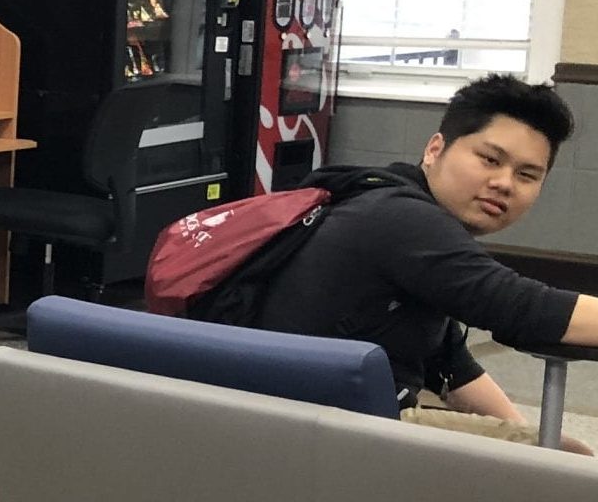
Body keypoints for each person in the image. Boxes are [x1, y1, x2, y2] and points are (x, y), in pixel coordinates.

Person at [253, 73, 598, 450]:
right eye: (489, 159)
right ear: (435, 149)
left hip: (317, 412)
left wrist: (527, 439)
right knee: (576, 463)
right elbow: (524, 308)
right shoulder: (402, 219)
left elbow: (452, 364)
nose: (504, 183)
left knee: (555, 458)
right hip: (326, 429)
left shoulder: (385, 197)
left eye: (527, 175)